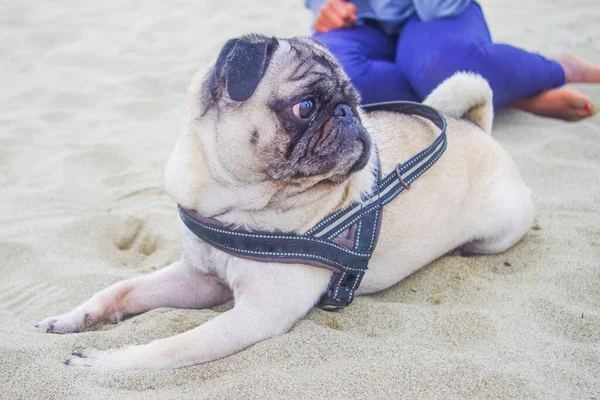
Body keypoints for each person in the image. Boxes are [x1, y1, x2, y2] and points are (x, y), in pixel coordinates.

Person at [305, 0, 600, 121]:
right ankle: (510, 94)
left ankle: (558, 68)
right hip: (359, 20)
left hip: (439, 13)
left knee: (439, 65)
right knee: (330, 79)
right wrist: (324, 5)